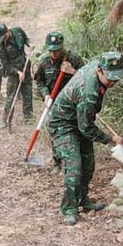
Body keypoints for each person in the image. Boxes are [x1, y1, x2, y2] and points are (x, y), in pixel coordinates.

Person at [47, 52, 123, 226]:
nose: (113, 82)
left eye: (116, 78)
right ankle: (69, 209)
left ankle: (83, 199)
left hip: (79, 119)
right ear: (99, 71)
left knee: (88, 164)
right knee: (74, 166)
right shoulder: (89, 93)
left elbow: (85, 124)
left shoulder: (99, 65)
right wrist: (110, 139)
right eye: (110, 78)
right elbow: (86, 128)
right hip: (62, 124)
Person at [34, 31, 86, 174]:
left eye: (57, 50)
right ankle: (57, 161)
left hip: (73, 103)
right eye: (51, 50)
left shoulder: (73, 58)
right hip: (53, 103)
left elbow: (87, 79)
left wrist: (72, 71)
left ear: (62, 46)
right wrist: (45, 95)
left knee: (77, 129)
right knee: (55, 132)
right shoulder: (44, 62)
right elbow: (39, 81)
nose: (54, 54)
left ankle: (77, 160)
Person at [0, 23, 33, 127]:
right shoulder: (0, 45)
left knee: (27, 93)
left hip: (25, 66)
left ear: (8, 32)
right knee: (11, 96)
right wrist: (17, 72)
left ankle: (28, 119)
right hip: (13, 72)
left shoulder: (18, 31)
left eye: (4, 36)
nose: (3, 39)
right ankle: (5, 121)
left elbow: (26, 39)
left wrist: (29, 44)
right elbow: (5, 65)